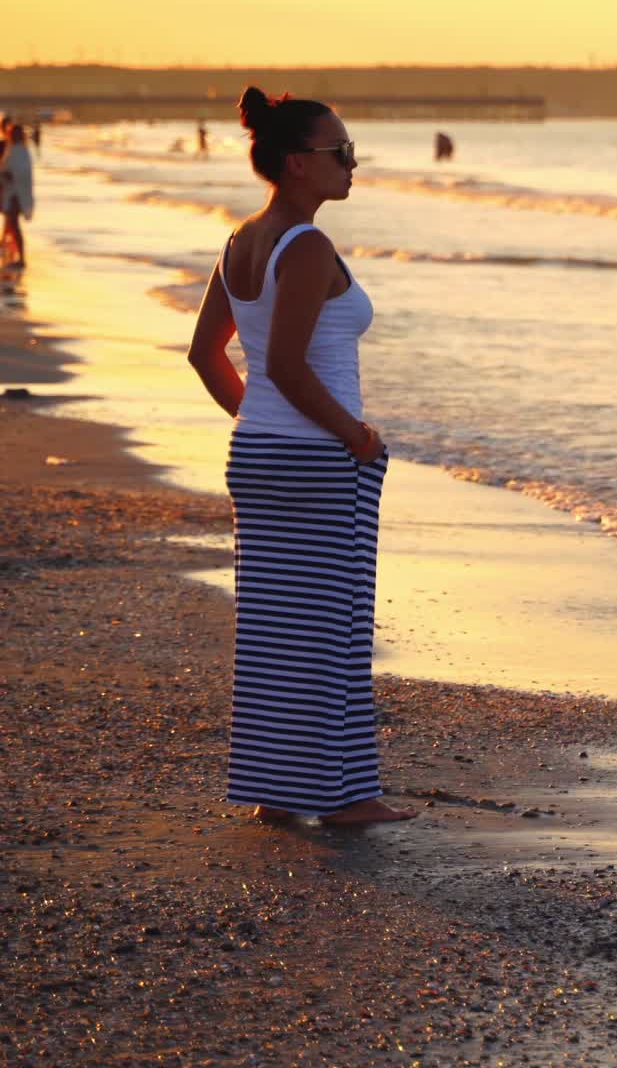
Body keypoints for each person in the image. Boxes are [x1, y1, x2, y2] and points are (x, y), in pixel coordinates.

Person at [187, 85, 416, 826]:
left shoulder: (238, 241)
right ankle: (346, 800)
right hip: (318, 461)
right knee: (332, 628)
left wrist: (258, 420)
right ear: (296, 164)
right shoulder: (307, 246)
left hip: (259, 454)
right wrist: (355, 437)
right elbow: (285, 365)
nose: (353, 163)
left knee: (274, 631)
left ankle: (278, 794)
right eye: (339, 152)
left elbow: (205, 355)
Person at [1, 123, 34, 269]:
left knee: (14, 225)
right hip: (12, 193)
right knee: (11, 223)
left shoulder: (21, 151)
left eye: (17, 133)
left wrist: (8, 176)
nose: (14, 135)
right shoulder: (13, 149)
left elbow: (21, 173)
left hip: (17, 194)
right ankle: (7, 246)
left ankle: (21, 259)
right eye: (12, 133)